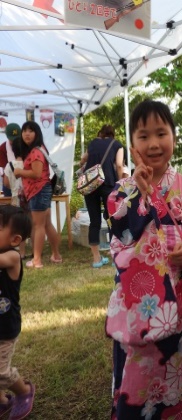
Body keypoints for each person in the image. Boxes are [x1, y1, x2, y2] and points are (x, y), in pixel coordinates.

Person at [106, 100, 182, 419]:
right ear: (132, 144)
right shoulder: (120, 192)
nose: (154, 144)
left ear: (174, 138)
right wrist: (141, 194)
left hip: (173, 304)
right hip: (134, 305)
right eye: (144, 136)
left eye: (161, 133)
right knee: (132, 380)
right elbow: (120, 236)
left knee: (171, 378)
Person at [0, 205, 35, 420]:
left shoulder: (12, 257)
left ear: (14, 240)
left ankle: (24, 392)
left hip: (6, 328)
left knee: (1, 371)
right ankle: (3, 402)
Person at [14, 121, 62, 269]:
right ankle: (56, 255)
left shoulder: (35, 151)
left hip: (38, 190)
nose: (27, 133)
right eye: (24, 131)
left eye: (31, 130)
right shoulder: (38, 149)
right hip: (42, 190)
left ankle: (37, 260)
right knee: (47, 224)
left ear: (37, 133)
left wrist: (19, 172)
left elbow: (36, 173)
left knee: (39, 225)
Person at [80, 124, 124, 268]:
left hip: (91, 185)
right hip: (108, 184)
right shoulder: (116, 144)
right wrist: (120, 183)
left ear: (101, 133)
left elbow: (82, 160)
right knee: (113, 219)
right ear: (113, 134)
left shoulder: (93, 143)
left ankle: (96, 259)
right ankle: (114, 258)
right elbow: (119, 165)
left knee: (94, 221)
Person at [3, 137, 29, 259]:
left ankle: (21, 253)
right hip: (28, 198)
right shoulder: (28, 164)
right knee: (32, 224)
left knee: (18, 226)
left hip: (15, 199)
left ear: (13, 150)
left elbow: (6, 183)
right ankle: (35, 251)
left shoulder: (9, 165)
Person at [0, 123, 21, 197]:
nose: (14, 141)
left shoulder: (26, 145)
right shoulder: (3, 148)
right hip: (9, 183)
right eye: (12, 139)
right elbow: (3, 169)